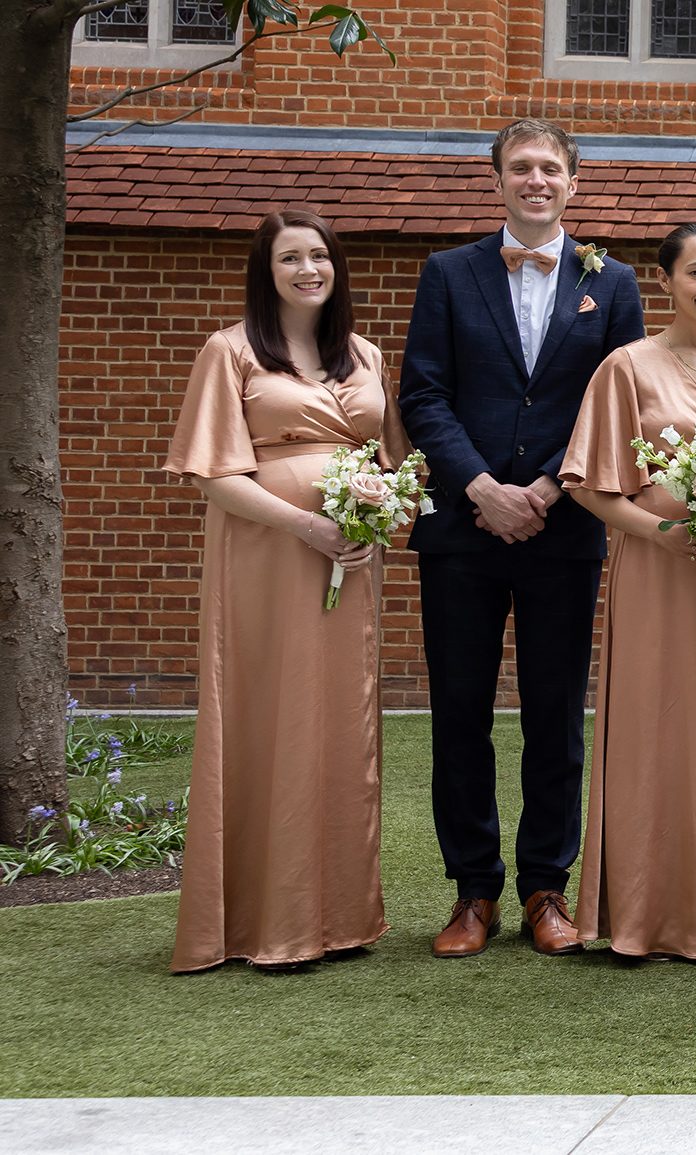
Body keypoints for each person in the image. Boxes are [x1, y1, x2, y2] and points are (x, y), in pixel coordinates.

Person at [399, 118, 645, 959]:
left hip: (563, 524)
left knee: (554, 712)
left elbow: (616, 403)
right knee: (459, 710)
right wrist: (479, 487)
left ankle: (547, 884)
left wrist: (544, 486)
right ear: (496, 180)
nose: (536, 180)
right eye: (520, 168)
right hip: (462, 527)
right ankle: (473, 890)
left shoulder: (612, 281)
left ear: (574, 183)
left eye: (551, 169)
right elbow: (423, 394)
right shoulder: (447, 273)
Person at [163, 208, 396, 973]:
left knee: (340, 719)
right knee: (271, 713)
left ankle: (339, 915)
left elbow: (392, 457)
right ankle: (265, 920)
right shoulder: (229, 351)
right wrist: (306, 524)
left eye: (320, 256)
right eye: (290, 257)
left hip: (350, 562)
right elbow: (214, 474)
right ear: (266, 271)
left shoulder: (362, 352)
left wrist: (377, 510)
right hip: (267, 555)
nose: (308, 270)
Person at [558, 223, 696, 961]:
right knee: (656, 721)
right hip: (657, 568)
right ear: (667, 281)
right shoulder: (627, 367)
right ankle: (647, 909)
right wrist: (660, 532)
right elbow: (587, 484)